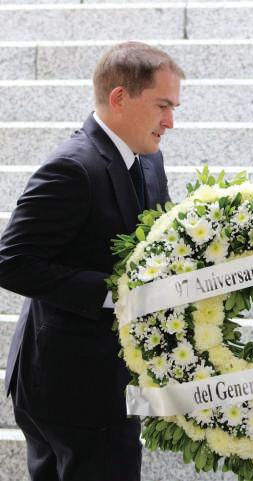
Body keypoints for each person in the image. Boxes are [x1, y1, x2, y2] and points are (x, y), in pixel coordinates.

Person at [0, 41, 184, 481]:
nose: (170, 122)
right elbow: (12, 260)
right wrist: (118, 295)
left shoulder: (149, 160)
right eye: (162, 106)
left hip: (107, 381)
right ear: (120, 97)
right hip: (69, 385)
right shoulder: (72, 167)